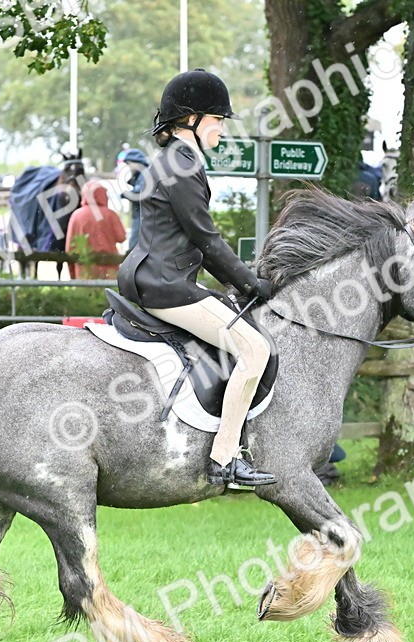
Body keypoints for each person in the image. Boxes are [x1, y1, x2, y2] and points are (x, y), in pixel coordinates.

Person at [116, 69, 275, 489]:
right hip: (168, 285)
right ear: (191, 119)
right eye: (217, 120)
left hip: (154, 277)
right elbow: (206, 239)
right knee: (255, 350)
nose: (222, 128)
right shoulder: (183, 164)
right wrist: (251, 283)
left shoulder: (167, 161)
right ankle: (226, 459)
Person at [66, 181, 126, 279]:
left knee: (86, 293)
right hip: (109, 267)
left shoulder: (76, 215)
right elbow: (121, 237)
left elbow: (70, 247)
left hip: (84, 268)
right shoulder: (110, 215)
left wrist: (72, 274)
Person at [118, 148, 150, 250]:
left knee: (134, 248)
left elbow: (139, 194)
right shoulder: (141, 175)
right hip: (141, 218)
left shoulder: (145, 175)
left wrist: (125, 194)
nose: (129, 167)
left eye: (130, 164)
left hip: (142, 220)